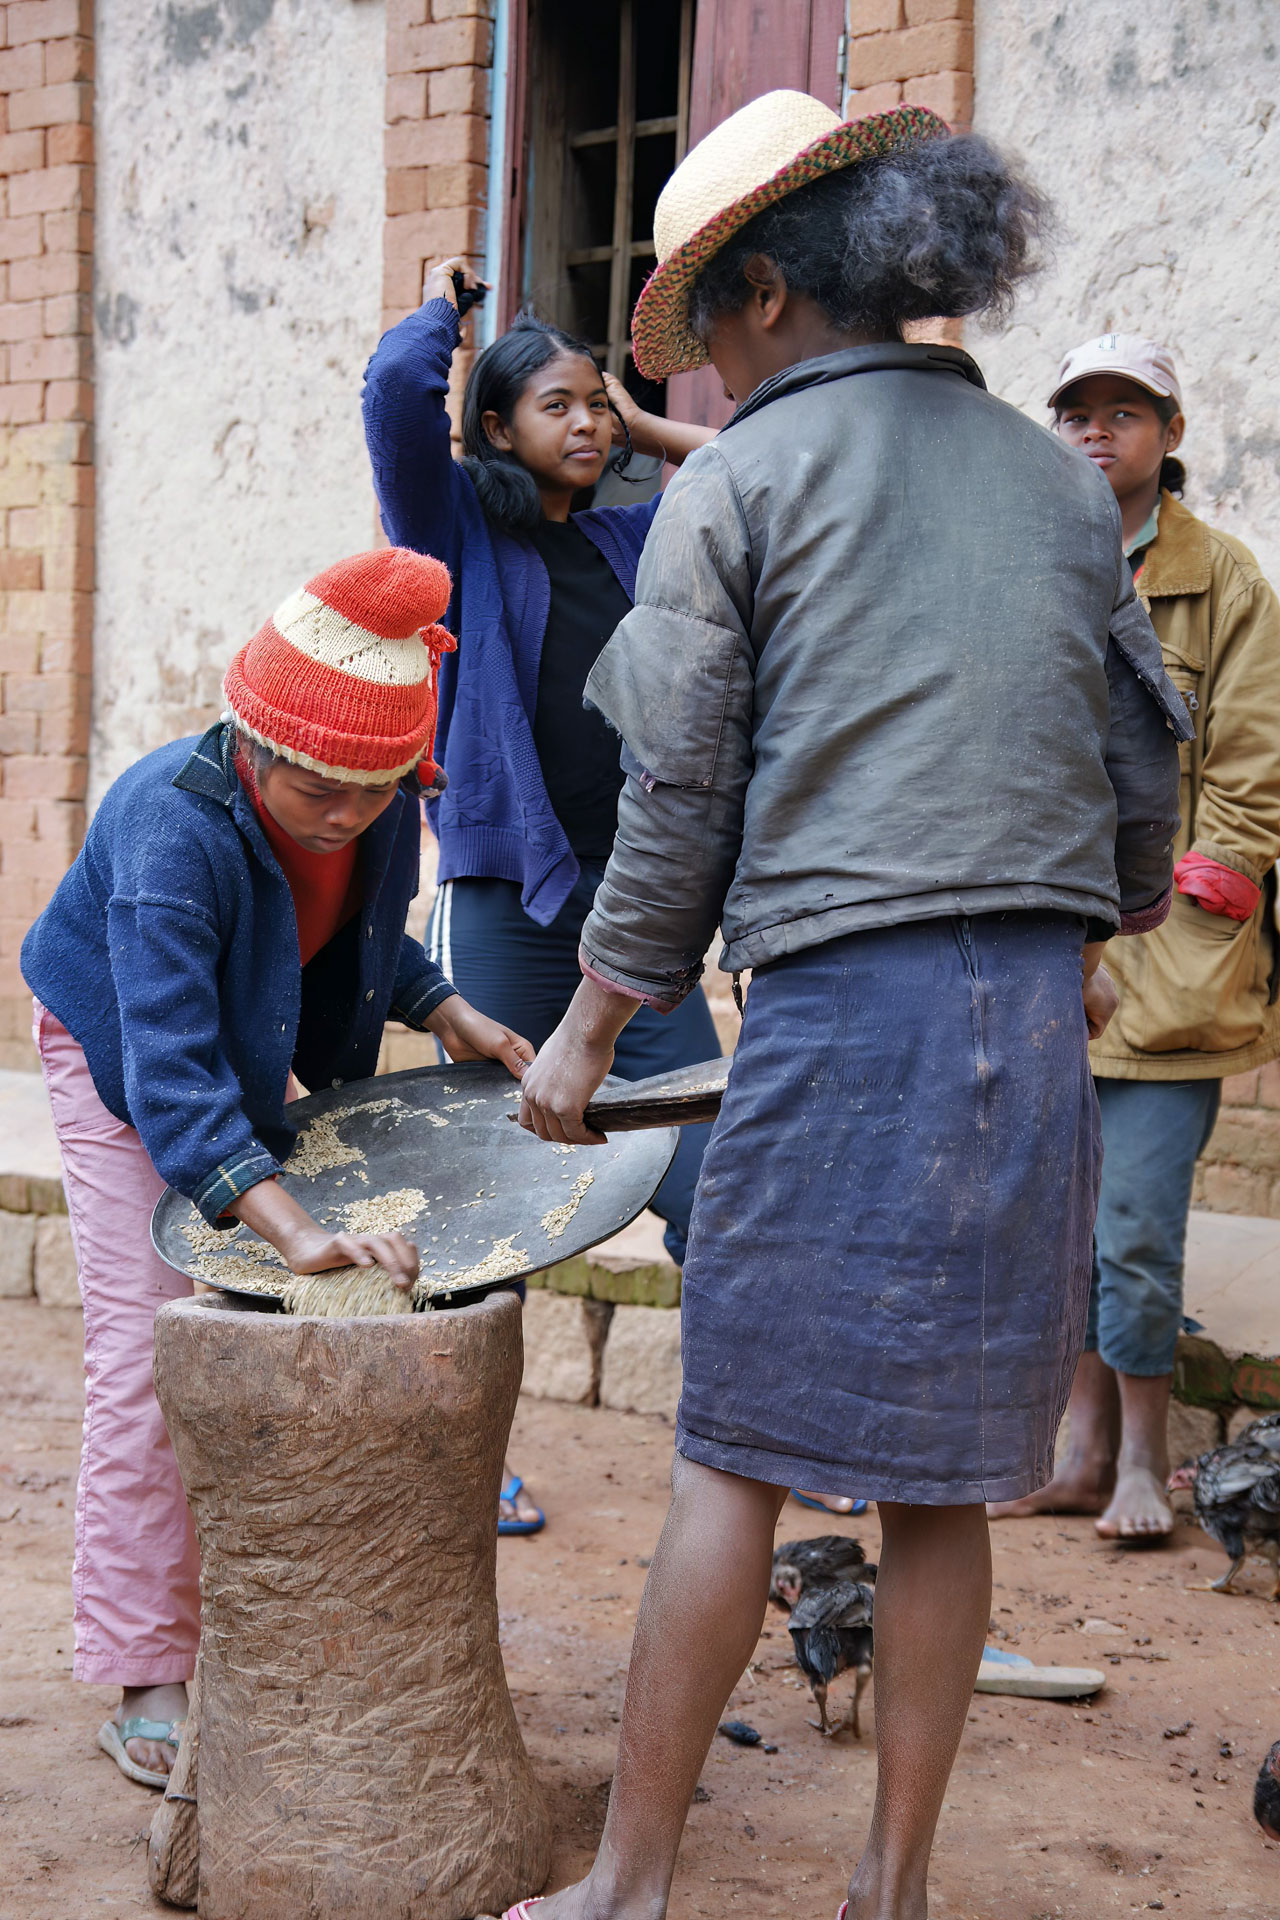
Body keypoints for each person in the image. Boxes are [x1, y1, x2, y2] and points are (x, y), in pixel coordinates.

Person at [512, 89, 1188, 1920]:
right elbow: (1144, 753)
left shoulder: (737, 483)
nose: (712, 374)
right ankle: (889, 1894)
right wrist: (1096, 922)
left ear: (766, 296)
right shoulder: (1059, 481)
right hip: (1028, 1027)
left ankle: (629, 1889)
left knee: (733, 1455)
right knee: (943, 1486)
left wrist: (588, 1032)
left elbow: (679, 802)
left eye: (711, 329)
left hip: (840, 1014)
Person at [21, 547, 530, 1790]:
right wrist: (294, 1233)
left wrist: (444, 1007)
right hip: (120, 1054)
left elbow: (357, 935)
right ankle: (147, 1668)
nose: (344, 815)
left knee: (266, 1327)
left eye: (373, 792)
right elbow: (171, 1074)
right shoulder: (167, 824)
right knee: (154, 1349)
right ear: (254, 742)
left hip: (239, 1040)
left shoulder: (375, 804)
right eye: (317, 789)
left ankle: (269, 1624)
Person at [362, 265, 862, 1523]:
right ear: (492, 427)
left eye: (598, 403)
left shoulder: (633, 537)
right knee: (494, 1196)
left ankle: (778, 1439)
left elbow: (742, 465)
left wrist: (640, 421)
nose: (586, 422)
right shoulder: (452, 535)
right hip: (506, 905)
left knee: (719, 1186)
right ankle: (461, 1459)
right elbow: (390, 401)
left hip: (637, 917)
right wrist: (441, 314)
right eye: (558, 405)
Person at [991, 336, 1280, 1542]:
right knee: (1053, 1223)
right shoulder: (1017, 556)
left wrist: (1193, 901)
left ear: (1167, 434)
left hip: (1168, 958)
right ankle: (1076, 1454)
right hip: (1042, 948)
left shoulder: (1225, 581)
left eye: (1125, 412)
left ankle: (1140, 1465)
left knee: (1137, 1230)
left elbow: (1251, 770)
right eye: (1077, 413)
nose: (1097, 431)